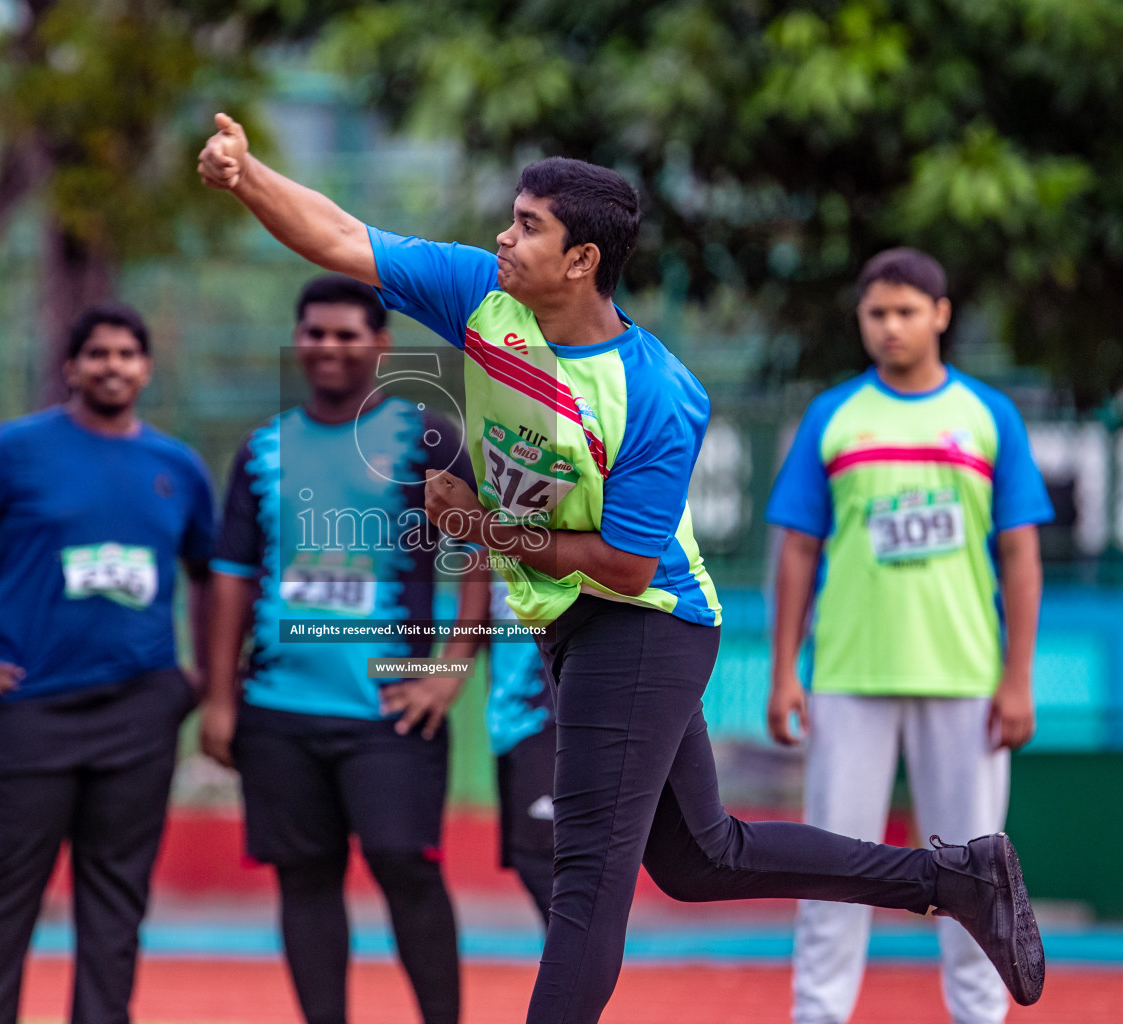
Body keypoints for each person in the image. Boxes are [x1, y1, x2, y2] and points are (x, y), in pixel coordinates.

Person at [196, 114, 1048, 1023]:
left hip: (644, 621)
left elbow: (628, 563)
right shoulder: (485, 297)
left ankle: (951, 877)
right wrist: (248, 175)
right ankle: (953, 877)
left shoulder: (656, 393)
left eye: (528, 225)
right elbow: (337, 236)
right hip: (573, 621)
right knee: (698, 859)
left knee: (588, 876)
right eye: (512, 217)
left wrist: (483, 524)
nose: (503, 236)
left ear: (582, 260)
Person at [765, 248, 1053, 1024]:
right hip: (848, 678)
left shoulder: (989, 416)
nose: (890, 326)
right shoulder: (832, 416)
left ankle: (980, 1016)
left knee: (978, 876)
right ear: (861, 320)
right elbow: (796, 548)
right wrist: (785, 671)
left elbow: (1021, 554)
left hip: (966, 680)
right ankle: (818, 1015)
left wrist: (1017, 678)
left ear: (941, 315)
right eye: (876, 313)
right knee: (833, 869)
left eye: (906, 311)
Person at [198, 275, 491, 1024]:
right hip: (278, 712)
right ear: (299, 342)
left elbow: (483, 557)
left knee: (406, 869)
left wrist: (452, 668)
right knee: (305, 879)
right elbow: (230, 579)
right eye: (316, 333)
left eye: (346, 334)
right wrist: (221, 700)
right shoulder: (261, 451)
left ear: (380, 345)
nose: (329, 347)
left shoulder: (426, 438)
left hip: (390, 709)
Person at [0, 303, 215, 1024]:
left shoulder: (176, 467)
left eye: (127, 354)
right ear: (71, 367)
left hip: (139, 714)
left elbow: (212, 572)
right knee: (4, 892)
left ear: (145, 368)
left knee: (116, 902)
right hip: (26, 710)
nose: (113, 365)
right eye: (98, 354)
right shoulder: (17, 450)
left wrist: (198, 677)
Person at [485, 579, 557, 924]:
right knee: (527, 855)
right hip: (507, 720)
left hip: (555, 714)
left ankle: (575, 974)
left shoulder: (565, 528)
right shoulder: (479, 537)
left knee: (547, 859)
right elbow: (470, 628)